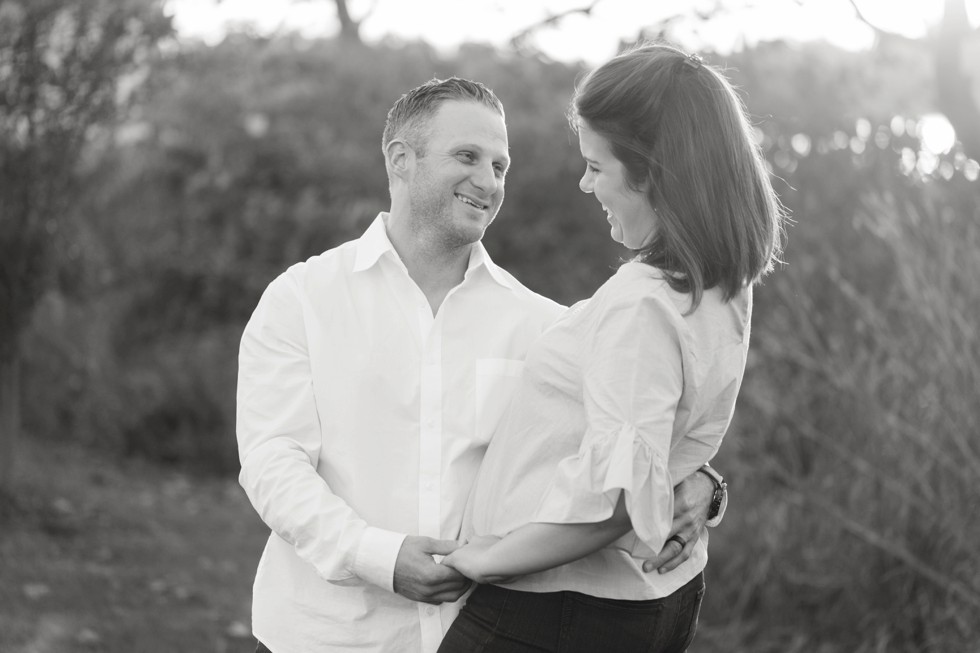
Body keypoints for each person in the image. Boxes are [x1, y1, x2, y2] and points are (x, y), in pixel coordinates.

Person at [236, 76, 720, 653]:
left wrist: (703, 485)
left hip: (482, 631)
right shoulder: (301, 298)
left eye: (500, 166)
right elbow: (272, 463)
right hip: (323, 634)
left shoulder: (547, 325)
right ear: (400, 159)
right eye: (467, 156)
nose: (488, 181)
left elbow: (623, 444)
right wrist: (379, 557)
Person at [438, 43, 786, 653]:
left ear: (651, 172)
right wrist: (704, 483)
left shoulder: (641, 301)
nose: (584, 183)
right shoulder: (719, 285)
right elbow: (655, 431)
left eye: (596, 166)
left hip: (559, 606)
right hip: (649, 595)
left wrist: (486, 563)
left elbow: (612, 507)